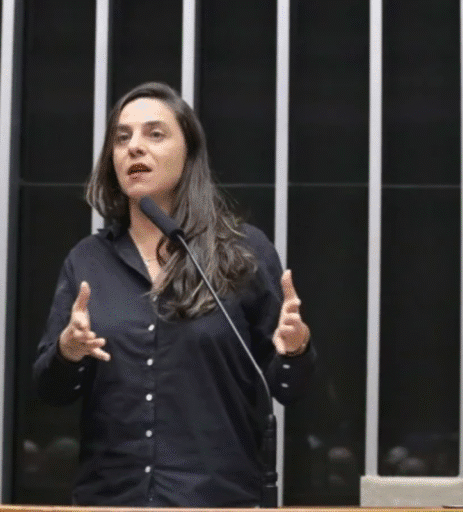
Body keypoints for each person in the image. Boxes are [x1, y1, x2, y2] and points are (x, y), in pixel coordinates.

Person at [33, 82, 315, 507]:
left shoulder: (243, 253)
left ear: (189, 153)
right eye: (122, 137)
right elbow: (51, 391)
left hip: (213, 500)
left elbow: (289, 389)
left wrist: (295, 350)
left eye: (155, 134)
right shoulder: (88, 261)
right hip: (111, 500)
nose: (135, 148)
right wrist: (68, 351)